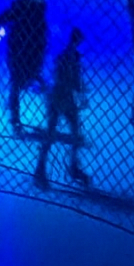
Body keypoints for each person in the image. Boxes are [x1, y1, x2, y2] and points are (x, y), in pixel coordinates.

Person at [0, 0, 48, 133]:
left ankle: (16, 113)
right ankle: (15, 116)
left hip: (24, 50)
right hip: (23, 51)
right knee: (20, 81)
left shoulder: (32, 9)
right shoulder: (28, 9)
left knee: (20, 81)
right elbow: (1, 19)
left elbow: (0, 19)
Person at [34, 27, 89, 190]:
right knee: (63, 133)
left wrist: (78, 90)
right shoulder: (69, 57)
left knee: (64, 133)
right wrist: (79, 90)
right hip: (61, 96)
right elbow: (71, 79)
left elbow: (71, 79)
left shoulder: (69, 56)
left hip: (59, 95)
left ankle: (44, 169)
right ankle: (51, 168)